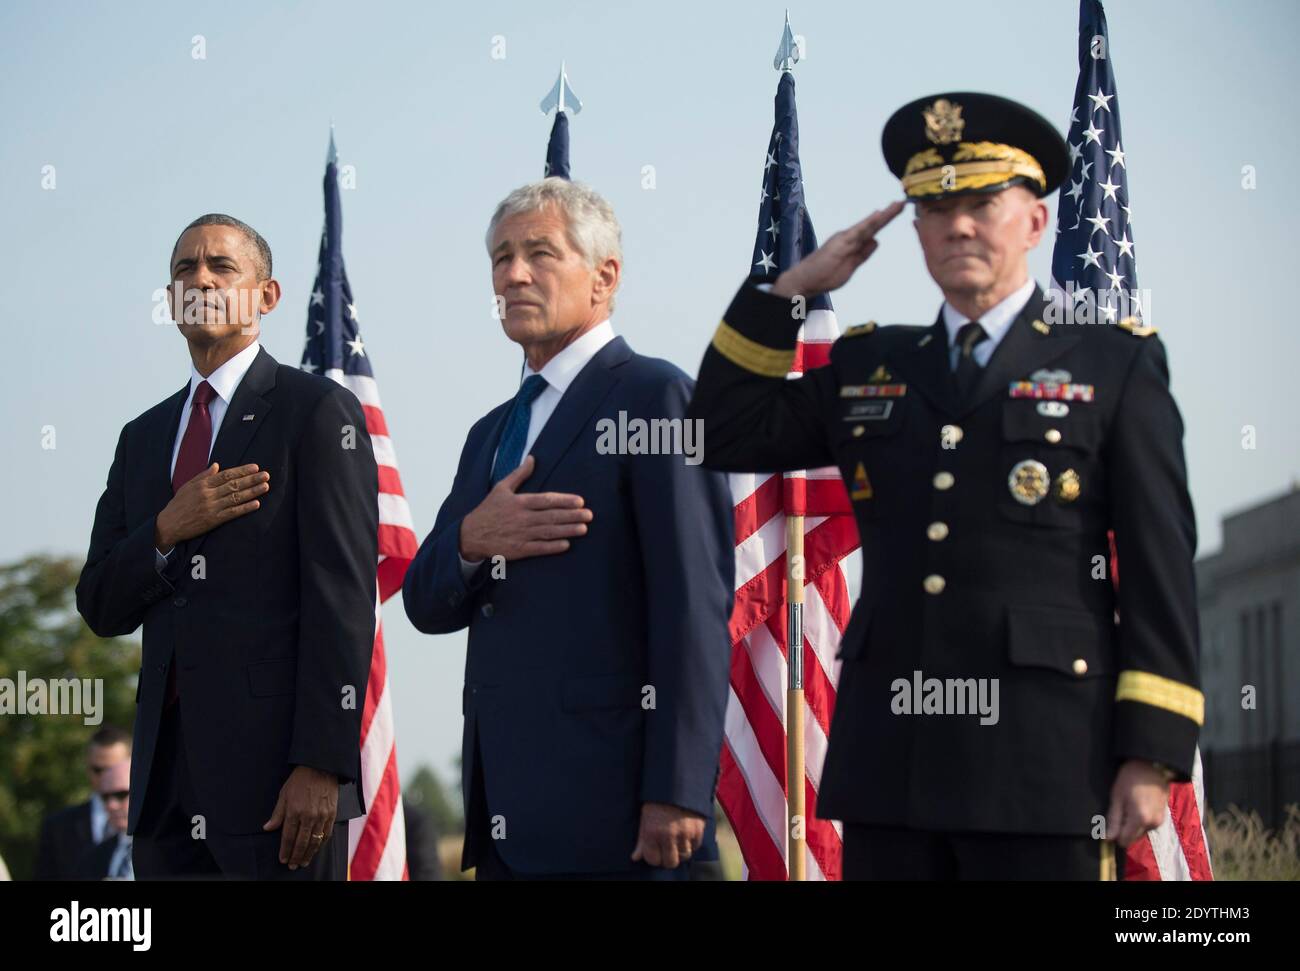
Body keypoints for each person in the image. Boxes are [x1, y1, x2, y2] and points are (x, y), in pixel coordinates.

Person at [688, 92, 1202, 879]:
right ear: (915, 230)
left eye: (982, 203)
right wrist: (792, 289)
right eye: (935, 206)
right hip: (893, 768)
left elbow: (1159, 565)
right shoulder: (871, 366)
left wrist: (1152, 752)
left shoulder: (1115, 366)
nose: (958, 225)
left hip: (1043, 766)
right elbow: (720, 430)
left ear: (1034, 221)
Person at [402, 178, 734, 880]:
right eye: (500, 257)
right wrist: (471, 539)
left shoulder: (655, 395)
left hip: (623, 820)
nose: (513, 273)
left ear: (604, 275)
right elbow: (425, 602)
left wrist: (676, 789)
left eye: (539, 253)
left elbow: (693, 606)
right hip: (507, 823)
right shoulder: (487, 434)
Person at [76, 213, 378, 879]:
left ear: (267, 296)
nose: (200, 278)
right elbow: (99, 601)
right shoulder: (143, 437)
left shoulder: (315, 412)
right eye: (185, 268)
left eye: (220, 266)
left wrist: (321, 762)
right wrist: (163, 529)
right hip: (163, 793)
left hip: (277, 786)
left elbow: (344, 600)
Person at [34, 725, 131, 880]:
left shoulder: (157, 835)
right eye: (98, 770)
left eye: (114, 769)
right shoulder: (57, 827)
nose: (106, 778)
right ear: (87, 768)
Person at [78, 759, 134, 879]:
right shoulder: (93, 857)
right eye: (105, 797)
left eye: (121, 795)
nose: (111, 805)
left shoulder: (168, 849)